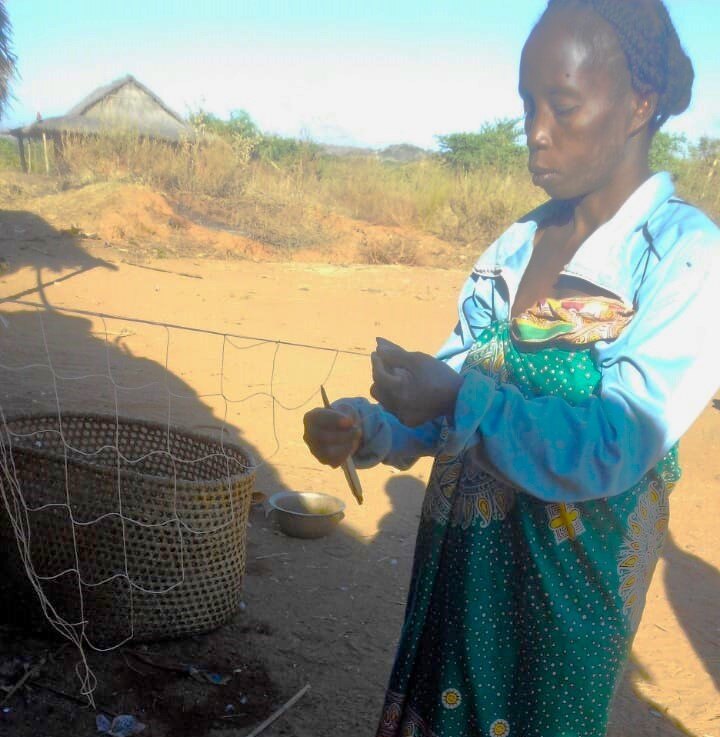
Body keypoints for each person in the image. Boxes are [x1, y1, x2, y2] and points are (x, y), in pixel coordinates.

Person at [303, 0, 720, 735]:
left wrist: (464, 396)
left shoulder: (684, 258)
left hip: (557, 616)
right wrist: (368, 423)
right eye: (528, 103)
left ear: (640, 105)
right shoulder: (516, 246)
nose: (536, 131)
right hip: (460, 583)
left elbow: (612, 444)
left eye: (562, 104)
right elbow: (450, 392)